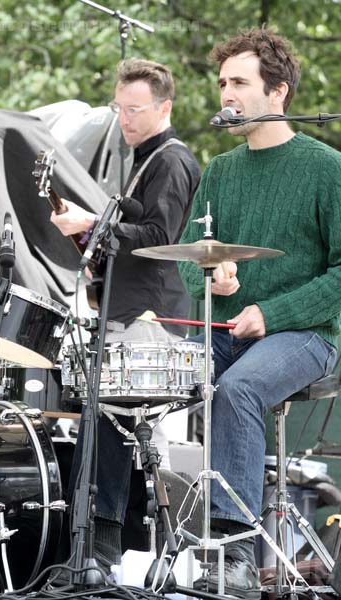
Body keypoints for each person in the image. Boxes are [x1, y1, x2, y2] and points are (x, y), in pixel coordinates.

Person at [179, 27, 341, 598]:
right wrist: (211, 274)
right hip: (226, 326)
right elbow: (185, 259)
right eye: (222, 82)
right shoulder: (219, 172)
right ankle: (101, 542)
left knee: (239, 389)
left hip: (308, 336)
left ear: (279, 93)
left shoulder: (327, 168)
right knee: (132, 379)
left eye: (239, 82)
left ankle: (234, 552)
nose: (227, 93)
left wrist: (271, 313)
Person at [51, 58, 200, 567]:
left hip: (150, 321)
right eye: (119, 109)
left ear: (165, 107)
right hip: (127, 314)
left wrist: (92, 221)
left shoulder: (173, 161)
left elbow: (160, 238)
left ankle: (166, 554)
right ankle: (98, 550)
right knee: (110, 431)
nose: (125, 119)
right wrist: (89, 240)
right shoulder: (140, 161)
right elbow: (129, 241)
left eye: (135, 109)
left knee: (144, 436)